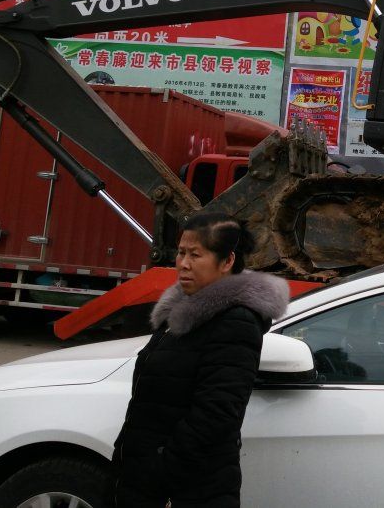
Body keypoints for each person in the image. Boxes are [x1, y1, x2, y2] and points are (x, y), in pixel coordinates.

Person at [113, 212, 289, 507]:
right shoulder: (181, 313)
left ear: (228, 261)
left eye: (196, 254)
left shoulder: (236, 322)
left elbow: (217, 413)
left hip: (189, 487)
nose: (183, 263)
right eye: (181, 253)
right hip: (145, 476)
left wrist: (161, 470)